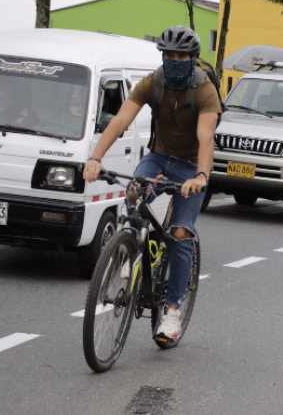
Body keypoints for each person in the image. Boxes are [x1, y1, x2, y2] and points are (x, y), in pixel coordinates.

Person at [83, 26, 221, 345]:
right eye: (168, 55)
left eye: (180, 56)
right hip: (159, 158)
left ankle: (172, 310)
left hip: (190, 166)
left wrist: (200, 176)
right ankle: (129, 252)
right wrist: (95, 158)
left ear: (191, 58)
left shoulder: (204, 90)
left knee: (180, 233)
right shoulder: (153, 82)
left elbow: (205, 137)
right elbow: (120, 121)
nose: (174, 60)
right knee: (133, 196)